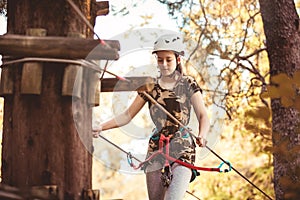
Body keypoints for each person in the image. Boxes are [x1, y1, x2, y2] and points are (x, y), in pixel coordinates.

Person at [93, 34, 210, 200]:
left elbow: (203, 115)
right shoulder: (149, 87)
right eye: (160, 60)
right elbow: (127, 115)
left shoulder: (187, 83)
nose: (163, 64)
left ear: (177, 59)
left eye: (168, 60)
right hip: (156, 148)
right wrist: (101, 127)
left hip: (182, 147)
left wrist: (202, 135)